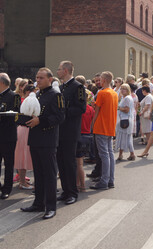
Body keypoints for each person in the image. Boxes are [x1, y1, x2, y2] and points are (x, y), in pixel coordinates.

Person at [20, 67, 65, 219]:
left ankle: (51, 207)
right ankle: (38, 203)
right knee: (38, 174)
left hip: (48, 139)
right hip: (35, 138)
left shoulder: (55, 95)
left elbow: (59, 117)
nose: (37, 80)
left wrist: (41, 120)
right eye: (37, 77)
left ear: (50, 79)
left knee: (49, 174)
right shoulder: (37, 94)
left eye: (41, 78)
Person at [56, 61, 86, 205]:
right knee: (61, 162)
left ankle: (72, 192)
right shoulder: (61, 87)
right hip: (59, 130)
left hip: (70, 130)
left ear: (66, 70)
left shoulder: (77, 87)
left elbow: (81, 108)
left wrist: (63, 112)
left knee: (69, 162)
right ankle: (65, 190)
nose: (57, 71)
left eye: (59, 69)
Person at [90, 71, 118, 190]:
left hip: (101, 126)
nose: (99, 81)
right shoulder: (114, 93)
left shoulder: (102, 93)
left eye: (100, 79)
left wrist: (92, 124)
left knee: (104, 155)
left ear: (104, 80)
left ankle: (104, 181)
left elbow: (96, 111)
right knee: (109, 154)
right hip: (110, 126)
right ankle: (110, 180)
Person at [0, 73, 21, 199]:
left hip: (8, 135)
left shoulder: (14, 96)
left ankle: (7, 189)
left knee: (8, 164)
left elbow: (16, 115)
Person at [14, 84, 36, 190]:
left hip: (23, 129)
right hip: (25, 129)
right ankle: (22, 182)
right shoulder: (28, 101)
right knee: (23, 156)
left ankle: (22, 181)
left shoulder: (24, 100)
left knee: (23, 156)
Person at [116, 83, 136, 161]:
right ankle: (123, 154)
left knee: (126, 138)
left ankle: (131, 154)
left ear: (128, 90)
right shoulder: (125, 98)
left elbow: (126, 109)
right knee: (125, 137)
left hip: (125, 120)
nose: (122, 90)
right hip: (125, 119)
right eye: (121, 88)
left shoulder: (127, 98)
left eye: (124, 89)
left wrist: (118, 108)